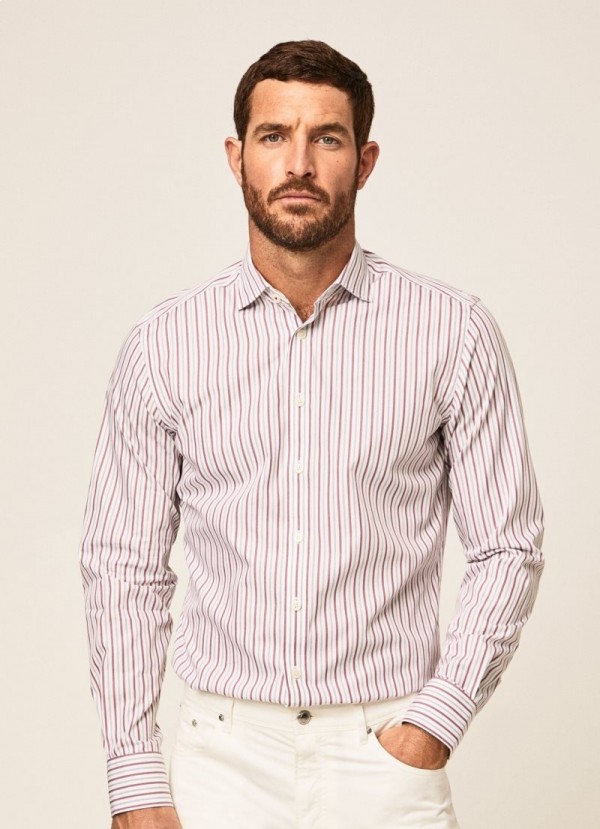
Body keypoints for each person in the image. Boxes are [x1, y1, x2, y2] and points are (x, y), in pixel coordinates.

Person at [79, 40, 544, 829]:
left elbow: (509, 545)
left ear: (364, 162)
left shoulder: (453, 332)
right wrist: (133, 771)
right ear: (237, 157)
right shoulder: (164, 344)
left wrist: (435, 720)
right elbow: (123, 564)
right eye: (274, 136)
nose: (298, 164)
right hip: (218, 760)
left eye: (326, 137)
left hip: (385, 752)